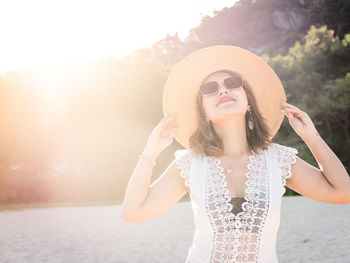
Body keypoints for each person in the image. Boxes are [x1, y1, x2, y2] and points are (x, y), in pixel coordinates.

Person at [121, 45, 350, 263]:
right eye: (209, 89)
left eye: (232, 82)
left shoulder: (278, 160)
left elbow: (343, 192)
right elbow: (133, 212)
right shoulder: (190, 164)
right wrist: (150, 151)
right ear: (204, 112)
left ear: (248, 100)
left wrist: (312, 137)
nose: (223, 89)